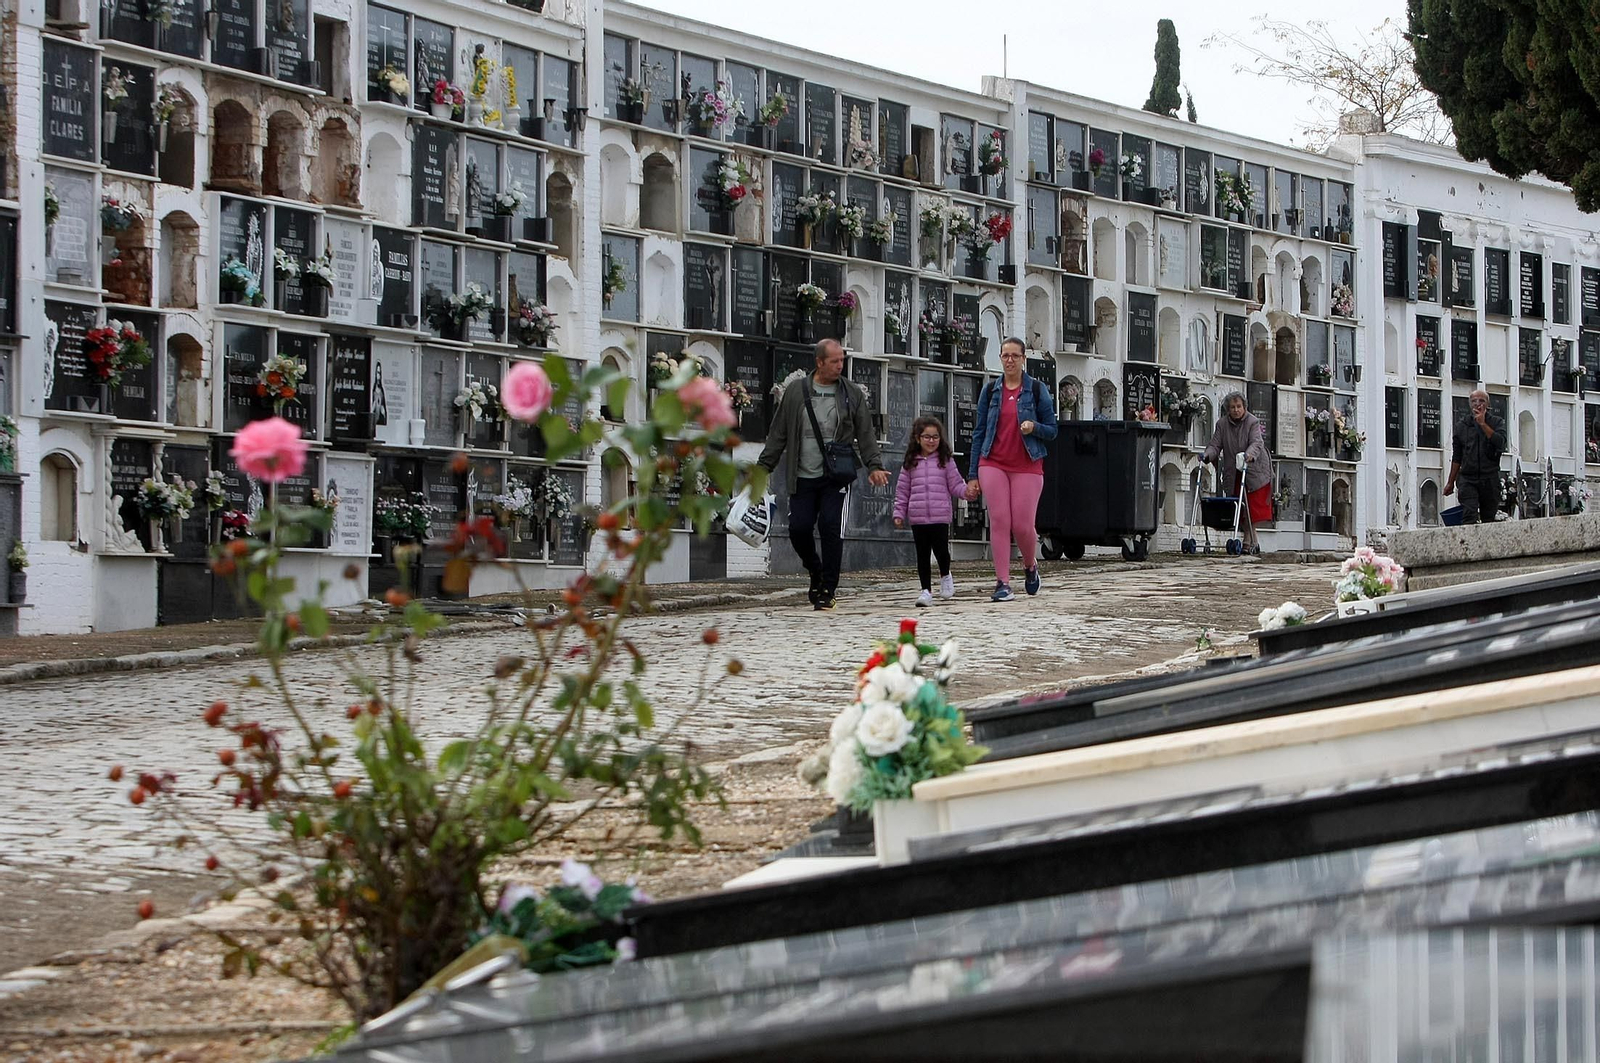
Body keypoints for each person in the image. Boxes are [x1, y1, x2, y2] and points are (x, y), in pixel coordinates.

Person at [759, 338, 889, 610]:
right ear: (819, 362)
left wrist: (874, 465)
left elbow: (865, 432)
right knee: (799, 529)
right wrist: (763, 467)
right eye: (834, 361)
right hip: (802, 474)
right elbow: (778, 433)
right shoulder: (796, 392)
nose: (840, 365)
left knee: (831, 527)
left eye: (842, 360)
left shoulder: (850, 393)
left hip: (835, 476)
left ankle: (827, 588)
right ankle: (815, 570)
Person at [966, 337, 1058, 602]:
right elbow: (980, 431)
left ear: (1023, 359)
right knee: (1000, 520)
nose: (1009, 360)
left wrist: (1034, 427)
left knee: (1022, 524)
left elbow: (1052, 430)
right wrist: (973, 474)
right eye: (1005, 356)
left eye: (1014, 356)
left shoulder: (1037, 390)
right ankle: (1002, 582)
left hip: (1027, 465)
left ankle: (1030, 566)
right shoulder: (990, 391)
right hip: (992, 462)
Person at [894, 416, 969, 608]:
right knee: (922, 555)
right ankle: (925, 590)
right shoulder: (910, 462)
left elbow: (956, 484)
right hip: (918, 517)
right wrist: (899, 513)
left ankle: (945, 575)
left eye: (935, 437)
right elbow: (903, 490)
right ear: (918, 438)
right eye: (927, 437)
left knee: (942, 551)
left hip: (939, 515)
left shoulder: (945, 461)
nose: (931, 441)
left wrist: (968, 492)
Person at [1203, 391, 1273, 555]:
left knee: (1252, 508)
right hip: (1234, 471)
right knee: (1240, 507)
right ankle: (1253, 542)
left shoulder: (1252, 422)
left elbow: (1257, 442)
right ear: (1228, 409)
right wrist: (1206, 455)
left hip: (1255, 471)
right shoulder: (1222, 424)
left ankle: (1247, 541)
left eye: (1239, 406)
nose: (1236, 410)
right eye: (1232, 407)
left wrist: (1249, 454)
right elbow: (1215, 445)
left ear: (1244, 407)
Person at [1444, 389, 1507, 523]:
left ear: (1487, 404)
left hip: (1489, 478)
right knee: (1469, 514)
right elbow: (1457, 457)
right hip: (1468, 478)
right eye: (1474, 401)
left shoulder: (1497, 422)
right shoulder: (1462, 426)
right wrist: (1450, 482)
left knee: (1488, 518)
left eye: (1481, 401)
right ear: (1470, 404)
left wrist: (1483, 424)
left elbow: (1500, 442)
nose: (1477, 404)